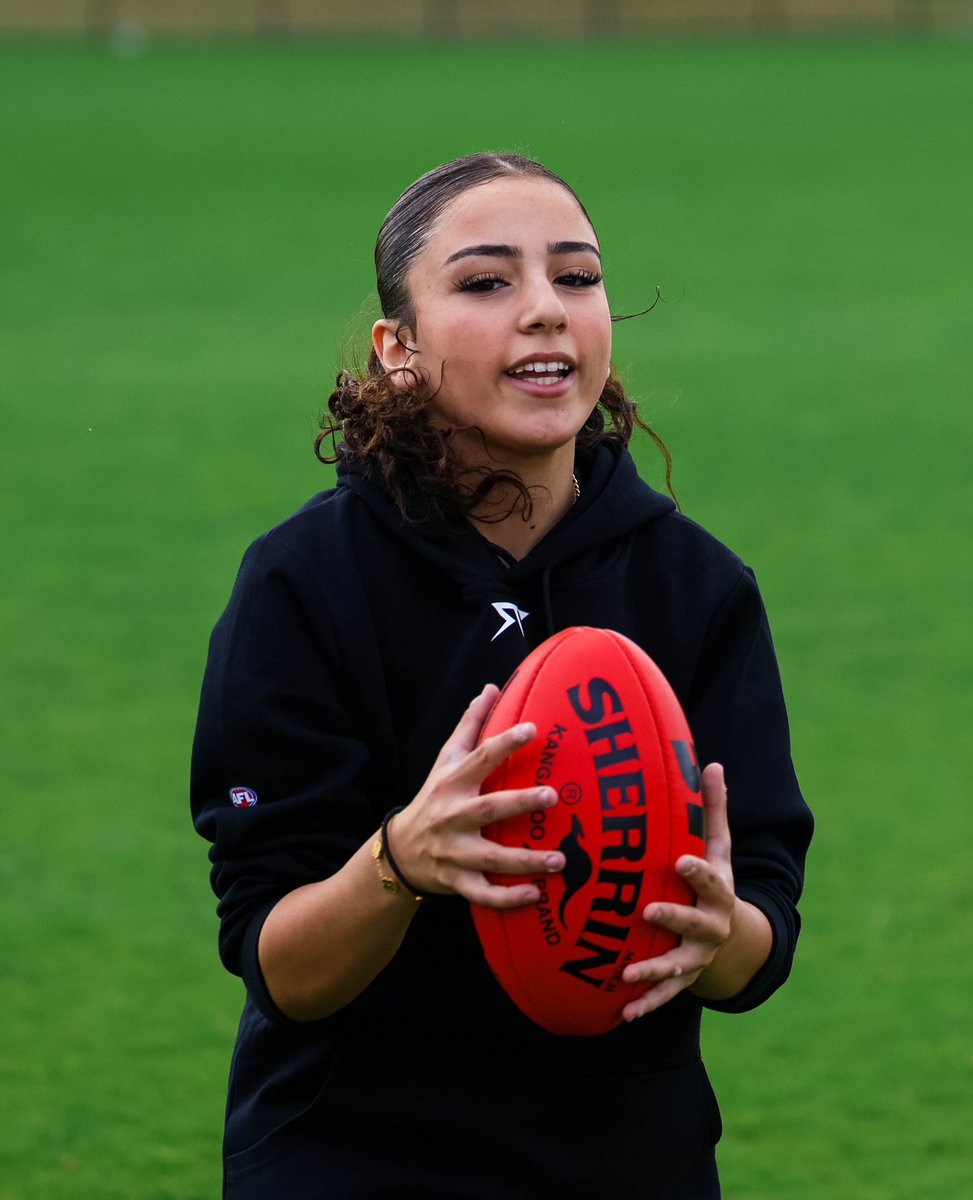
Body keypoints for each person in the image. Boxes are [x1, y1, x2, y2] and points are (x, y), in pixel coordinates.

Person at [191, 152, 813, 1199]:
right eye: (486, 282)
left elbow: (759, 944)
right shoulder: (304, 581)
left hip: (626, 1161)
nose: (545, 311)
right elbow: (282, 971)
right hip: (352, 1158)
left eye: (575, 276)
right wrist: (400, 861)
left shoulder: (696, 586)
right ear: (399, 347)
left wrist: (718, 933)